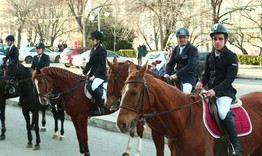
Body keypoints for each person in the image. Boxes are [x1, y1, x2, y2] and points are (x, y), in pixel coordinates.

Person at [195, 23, 241, 155]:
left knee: (221, 112)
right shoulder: (210, 56)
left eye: (220, 39)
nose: (217, 41)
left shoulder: (231, 56)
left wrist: (214, 91)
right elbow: (206, 75)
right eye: (215, 39)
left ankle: (235, 146)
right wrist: (200, 82)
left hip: (225, 92)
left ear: (225, 40)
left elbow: (229, 80)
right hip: (210, 91)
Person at [164, 26, 198, 94]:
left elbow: (191, 65)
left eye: (184, 37)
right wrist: (167, 73)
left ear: (187, 38)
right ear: (177, 38)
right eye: (180, 37)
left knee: (185, 94)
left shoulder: (192, 49)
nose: (182, 39)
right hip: (176, 77)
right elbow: (171, 63)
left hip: (188, 77)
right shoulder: (175, 49)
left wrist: (177, 74)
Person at [82, 30, 107, 115]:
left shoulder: (102, 50)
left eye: (93, 40)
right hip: (93, 73)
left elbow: (101, 65)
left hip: (101, 74)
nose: (92, 41)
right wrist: (83, 73)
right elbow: (90, 63)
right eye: (91, 40)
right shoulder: (93, 50)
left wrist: (95, 76)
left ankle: (100, 108)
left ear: (98, 40)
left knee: (94, 87)